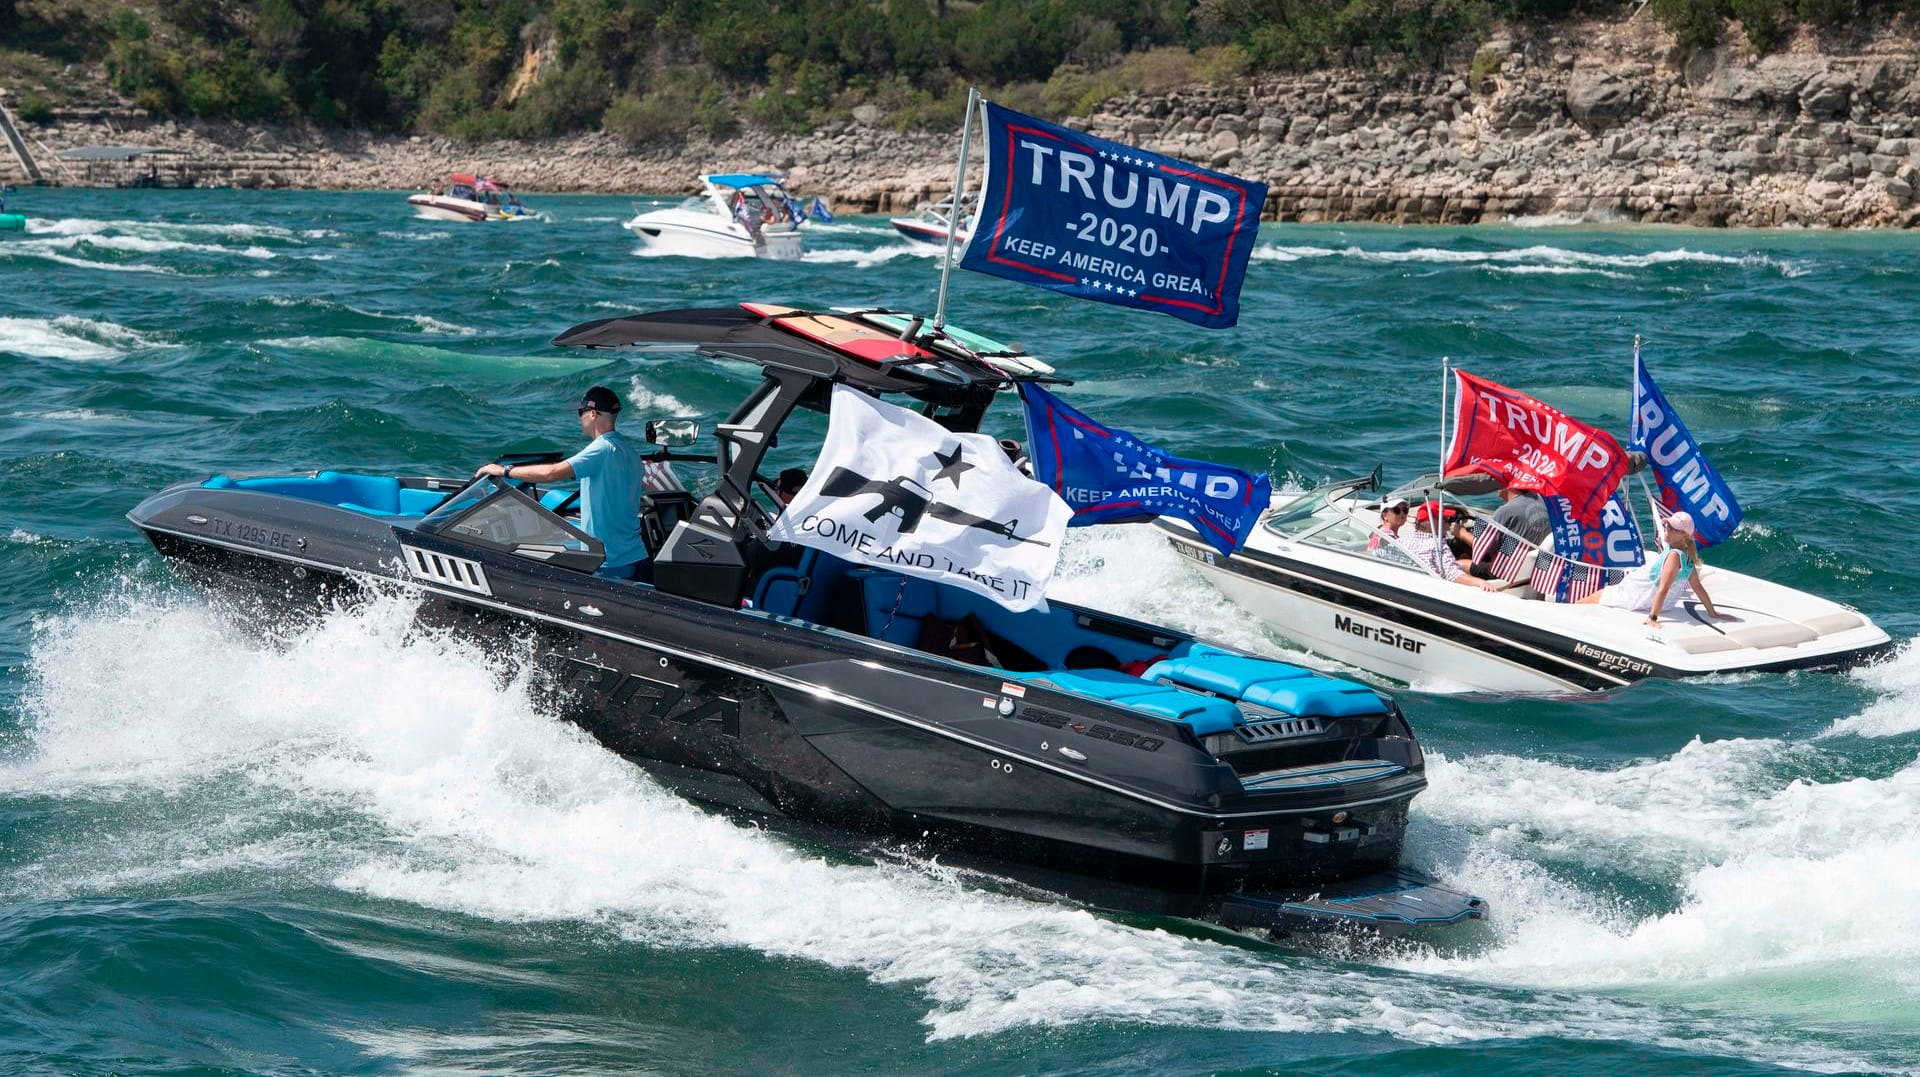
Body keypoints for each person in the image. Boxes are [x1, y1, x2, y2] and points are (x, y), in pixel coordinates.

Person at [473, 386, 649, 581]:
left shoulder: (601, 449)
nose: (579, 418)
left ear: (592, 414)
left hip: (611, 563)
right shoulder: (630, 452)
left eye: (580, 413)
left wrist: (504, 471)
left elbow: (552, 473)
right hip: (636, 556)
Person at [1579, 511, 1723, 626]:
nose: (1667, 529)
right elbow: (1697, 587)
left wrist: (1653, 617)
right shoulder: (1688, 555)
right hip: (1658, 601)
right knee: (1603, 593)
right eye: (1667, 525)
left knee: (1599, 595)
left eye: (1672, 528)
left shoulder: (1674, 555)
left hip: (1639, 596)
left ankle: (1569, 609)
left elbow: (1664, 588)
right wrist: (1712, 613)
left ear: (1684, 535)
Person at [1402, 500, 1496, 590]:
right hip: (1436, 590)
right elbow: (1453, 574)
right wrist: (1481, 582)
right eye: (1445, 519)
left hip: (1413, 585)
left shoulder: (1403, 542)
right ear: (1432, 522)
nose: (1448, 523)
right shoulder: (1438, 546)